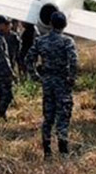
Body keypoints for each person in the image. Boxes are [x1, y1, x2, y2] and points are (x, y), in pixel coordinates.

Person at [28, 11, 79, 158]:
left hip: (48, 83)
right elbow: (74, 61)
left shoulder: (40, 41)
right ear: (65, 25)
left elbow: (28, 59)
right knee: (63, 117)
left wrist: (36, 76)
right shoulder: (67, 41)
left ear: (50, 24)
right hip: (62, 83)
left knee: (48, 117)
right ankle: (63, 152)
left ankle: (47, 151)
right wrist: (71, 77)